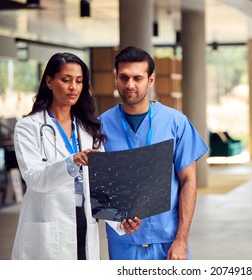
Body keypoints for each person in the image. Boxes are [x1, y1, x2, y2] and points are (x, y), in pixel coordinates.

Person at [99, 46, 209, 260]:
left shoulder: (176, 123)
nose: (130, 85)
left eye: (137, 78)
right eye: (124, 77)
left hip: (168, 241)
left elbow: (188, 181)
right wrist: (116, 218)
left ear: (150, 80)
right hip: (123, 242)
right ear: (116, 79)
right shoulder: (101, 126)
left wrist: (182, 239)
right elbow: (99, 186)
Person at [11, 52, 106, 260]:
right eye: (66, 80)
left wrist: (123, 219)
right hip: (49, 226)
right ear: (49, 82)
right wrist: (72, 161)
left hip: (84, 223)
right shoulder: (28, 127)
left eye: (79, 81)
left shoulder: (89, 128)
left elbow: (103, 184)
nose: (74, 87)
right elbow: (35, 178)